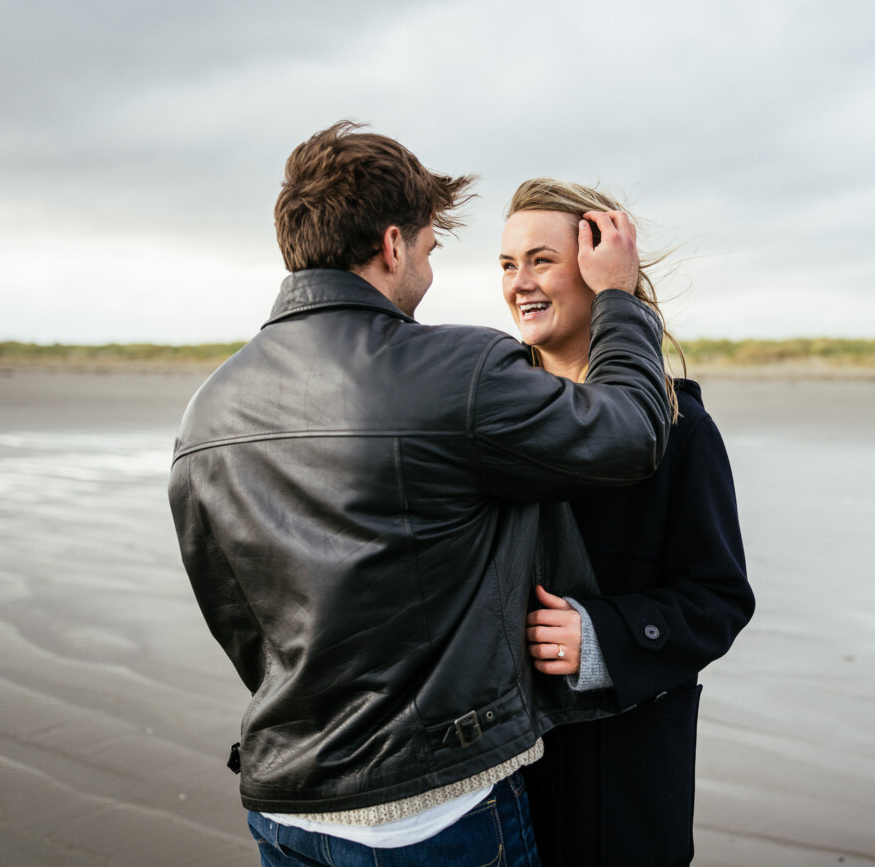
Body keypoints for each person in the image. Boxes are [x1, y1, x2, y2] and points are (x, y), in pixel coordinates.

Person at [167, 123, 673, 865]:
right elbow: (631, 433)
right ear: (394, 244)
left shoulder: (207, 410)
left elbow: (243, 619)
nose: (432, 273)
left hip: (285, 807)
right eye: (434, 249)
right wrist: (620, 300)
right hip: (431, 814)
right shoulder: (455, 369)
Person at [499, 178, 756, 866]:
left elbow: (720, 599)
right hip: (493, 794)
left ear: (600, 270)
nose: (520, 283)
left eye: (541, 260)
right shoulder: (481, 421)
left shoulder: (682, 429)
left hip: (622, 789)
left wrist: (601, 637)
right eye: (506, 264)